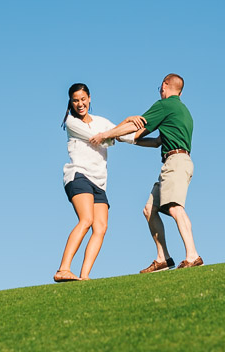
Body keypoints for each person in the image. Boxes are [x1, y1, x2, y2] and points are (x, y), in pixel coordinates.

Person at [90, 73, 203, 273]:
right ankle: (163, 258)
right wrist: (129, 141)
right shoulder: (182, 110)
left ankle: (192, 255)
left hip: (175, 162)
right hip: (174, 160)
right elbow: (157, 141)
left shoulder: (165, 105)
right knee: (149, 209)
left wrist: (106, 134)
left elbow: (137, 124)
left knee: (175, 207)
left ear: (164, 86)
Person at [55, 83, 144, 282]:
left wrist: (153, 138)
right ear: (70, 102)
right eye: (75, 100)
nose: (80, 104)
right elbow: (101, 139)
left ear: (89, 98)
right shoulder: (71, 122)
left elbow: (125, 136)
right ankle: (63, 269)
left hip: (99, 181)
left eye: (83, 99)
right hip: (79, 175)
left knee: (101, 227)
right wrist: (125, 121)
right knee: (86, 220)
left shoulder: (101, 121)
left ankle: (84, 276)